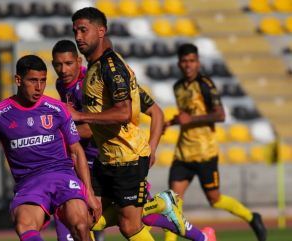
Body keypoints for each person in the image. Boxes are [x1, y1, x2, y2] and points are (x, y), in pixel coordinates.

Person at [53, 39, 216, 241]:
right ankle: (195, 232)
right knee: (89, 217)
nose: (63, 70)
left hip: (121, 159)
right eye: (57, 65)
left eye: (68, 64)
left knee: (128, 221)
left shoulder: (106, 79)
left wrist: (60, 135)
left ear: (79, 62)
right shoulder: (63, 84)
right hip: (101, 162)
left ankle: (187, 225)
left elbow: (155, 112)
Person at [0, 55, 101, 241]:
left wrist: (90, 193)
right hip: (29, 184)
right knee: (24, 224)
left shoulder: (57, 108)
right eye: (32, 80)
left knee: (80, 224)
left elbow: (77, 153)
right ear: (18, 80)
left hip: (63, 177)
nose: (38, 87)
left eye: (42, 81)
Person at [68, 8, 185, 241]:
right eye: (75, 31)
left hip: (128, 158)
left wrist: (80, 117)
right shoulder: (93, 67)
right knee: (86, 220)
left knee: (129, 227)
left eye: (83, 30)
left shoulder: (111, 68)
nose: (78, 37)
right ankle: (160, 203)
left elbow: (123, 113)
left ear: (100, 31)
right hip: (106, 158)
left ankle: (162, 203)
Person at [163, 43, 267, 241]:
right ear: (179, 63)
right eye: (184, 61)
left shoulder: (205, 85)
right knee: (172, 202)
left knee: (215, 199)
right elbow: (188, 115)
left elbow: (220, 115)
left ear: (198, 63)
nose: (188, 65)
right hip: (183, 153)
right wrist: (170, 122)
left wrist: (190, 120)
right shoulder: (178, 87)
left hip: (205, 153)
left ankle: (252, 217)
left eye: (191, 61)